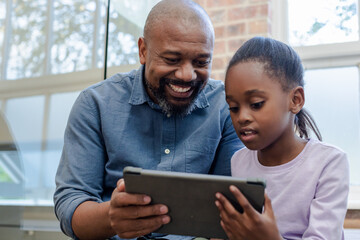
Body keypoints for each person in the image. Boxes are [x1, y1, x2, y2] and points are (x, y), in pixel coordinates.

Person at [53, 0, 243, 239]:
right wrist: (111, 217)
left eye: (201, 62)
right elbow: (70, 205)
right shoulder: (95, 104)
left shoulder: (226, 107)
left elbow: (232, 208)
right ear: (143, 50)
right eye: (172, 60)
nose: (187, 75)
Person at [215, 36, 349, 240]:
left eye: (256, 104)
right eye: (233, 107)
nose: (241, 117)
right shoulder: (239, 161)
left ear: (295, 100)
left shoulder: (329, 163)